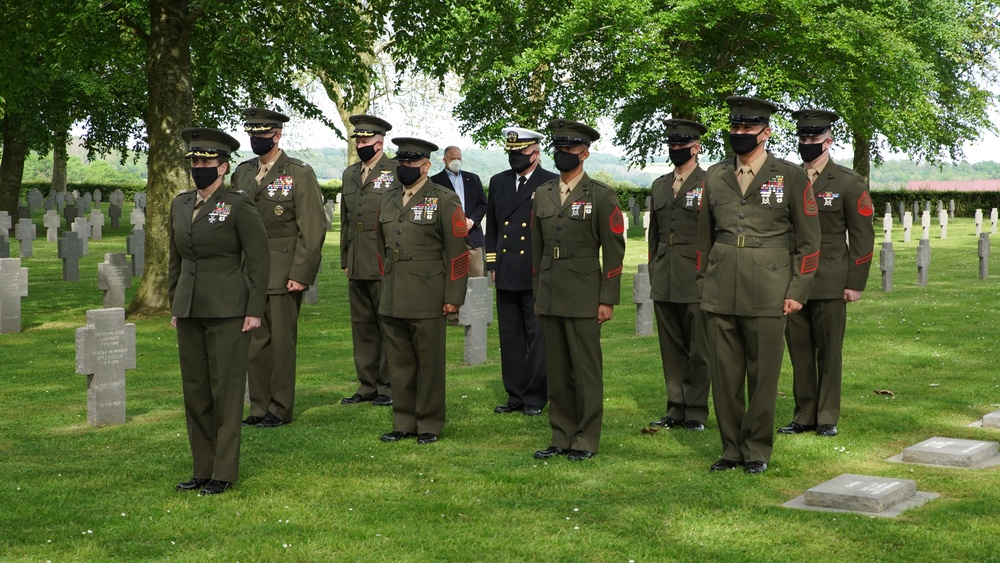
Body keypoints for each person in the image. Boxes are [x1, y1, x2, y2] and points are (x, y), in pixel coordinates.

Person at [698, 97, 821, 475]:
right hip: (721, 287)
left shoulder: (790, 176)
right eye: (734, 128)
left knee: (763, 375)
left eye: (747, 129)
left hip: (769, 288)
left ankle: (756, 450)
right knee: (725, 375)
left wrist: (797, 291)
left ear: (765, 133)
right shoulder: (714, 175)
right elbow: (703, 238)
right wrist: (704, 283)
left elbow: (809, 242)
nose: (739, 135)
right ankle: (731, 448)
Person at [170, 128, 269, 495]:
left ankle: (223, 472)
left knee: (225, 392)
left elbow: (259, 261)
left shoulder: (239, 204)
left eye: (207, 162)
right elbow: (174, 261)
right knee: (195, 391)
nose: (200, 167)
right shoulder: (180, 204)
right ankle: (201, 468)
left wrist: (254, 309)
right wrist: (175, 304)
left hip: (229, 309)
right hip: (190, 309)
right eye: (195, 161)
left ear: (224, 166)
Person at [531, 119, 626, 462]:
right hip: (551, 292)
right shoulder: (542, 194)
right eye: (559, 149)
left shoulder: (600, 195)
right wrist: (537, 294)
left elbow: (614, 251)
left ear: (585, 153)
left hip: (585, 293)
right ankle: (561, 435)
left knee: (585, 371)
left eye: (570, 149)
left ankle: (585, 439)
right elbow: (537, 250)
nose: (563, 154)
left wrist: (607, 298)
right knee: (556, 372)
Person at [779, 109, 875, 438]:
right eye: (803, 138)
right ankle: (804, 414)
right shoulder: (787, 179)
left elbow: (863, 235)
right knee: (800, 350)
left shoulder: (848, 182)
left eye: (814, 138)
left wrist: (855, 282)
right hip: (793, 279)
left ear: (828, 141)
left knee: (829, 351)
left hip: (831, 277)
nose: (807, 143)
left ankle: (827, 415)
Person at [231, 107, 326, 428]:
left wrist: (301, 273)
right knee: (255, 344)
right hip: (249, 273)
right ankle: (258, 407)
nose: (257, 140)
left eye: (262, 135)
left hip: (284, 272)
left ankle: (280, 408)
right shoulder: (242, 173)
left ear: (277, 135)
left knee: (282, 345)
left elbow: (312, 228)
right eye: (252, 135)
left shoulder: (298, 173)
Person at [376, 137, 469, 444]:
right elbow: (380, 246)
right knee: (399, 363)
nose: (405, 168)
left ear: (426, 166)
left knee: (428, 363)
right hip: (393, 292)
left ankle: (428, 423)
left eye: (412, 163)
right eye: (401, 162)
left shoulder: (443, 199)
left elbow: (457, 251)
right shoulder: (388, 199)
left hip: (428, 292)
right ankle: (403, 421)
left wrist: (453, 297)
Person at [485, 127, 557, 416]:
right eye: (512, 153)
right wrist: (491, 263)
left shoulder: (549, 182)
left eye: (522, 153)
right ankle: (514, 395)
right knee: (510, 338)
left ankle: (535, 396)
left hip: (533, 271)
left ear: (536, 153)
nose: (516, 158)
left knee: (537, 337)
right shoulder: (498, 181)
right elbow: (491, 226)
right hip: (505, 270)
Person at [647, 119, 711, 431]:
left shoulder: (710, 182)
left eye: (682, 145)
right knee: (671, 348)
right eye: (672, 145)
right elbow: (654, 236)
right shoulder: (659, 185)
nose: (675, 150)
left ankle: (696, 410)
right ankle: (675, 408)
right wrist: (654, 268)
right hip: (665, 274)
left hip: (696, 274)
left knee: (699, 348)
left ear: (696, 148)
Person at [339, 114, 398, 407]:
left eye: (366, 140)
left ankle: (388, 385)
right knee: (361, 325)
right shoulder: (350, 174)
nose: (361, 144)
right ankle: (366, 385)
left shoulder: (396, 171)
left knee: (386, 322)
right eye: (358, 140)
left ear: (380, 142)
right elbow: (347, 222)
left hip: (383, 257)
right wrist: (345, 259)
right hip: (357, 258)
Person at [430, 146, 487, 278]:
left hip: (472, 236)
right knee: (451, 279)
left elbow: (483, 203)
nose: (456, 161)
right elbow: (433, 209)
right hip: (448, 238)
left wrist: (471, 221)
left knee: (476, 278)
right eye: (452, 158)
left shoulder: (473, 179)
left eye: (459, 158)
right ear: (445, 160)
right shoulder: (434, 182)